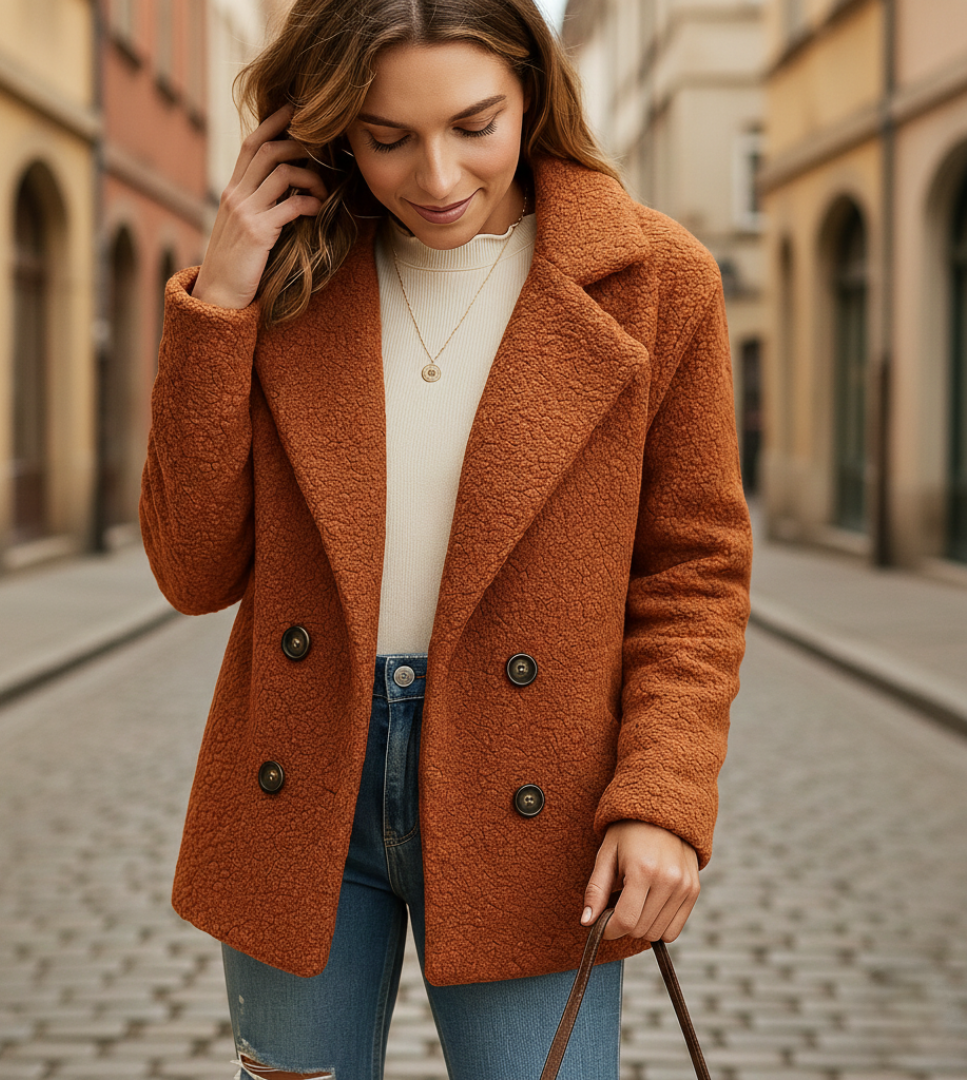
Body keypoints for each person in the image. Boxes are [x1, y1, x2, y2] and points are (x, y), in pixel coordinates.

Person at [139, 0, 752, 1074]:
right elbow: (193, 570)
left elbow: (695, 571)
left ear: (533, 90)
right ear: (325, 129)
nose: (435, 175)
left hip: (538, 797)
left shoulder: (658, 282)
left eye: (475, 123)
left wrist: (664, 796)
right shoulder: (289, 279)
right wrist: (224, 297)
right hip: (302, 782)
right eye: (386, 137)